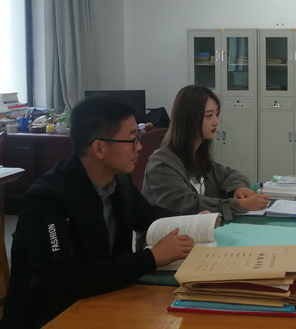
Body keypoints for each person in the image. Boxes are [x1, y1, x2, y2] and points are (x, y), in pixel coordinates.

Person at [0, 96, 195, 329]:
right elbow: (64, 282)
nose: (139, 147)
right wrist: (151, 257)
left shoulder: (118, 181)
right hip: (51, 317)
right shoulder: (46, 200)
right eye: (132, 139)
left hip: (106, 300)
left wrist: (196, 222)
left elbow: (149, 216)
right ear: (99, 148)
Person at [142, 85, 269, 219]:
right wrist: (240, 204)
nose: (215, 122)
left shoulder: (197, 158)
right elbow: (189, 205)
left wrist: (237, 188)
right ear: (189, 118)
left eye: (216, 114)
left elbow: (231, 175)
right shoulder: (161, 164)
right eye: (209, 116)